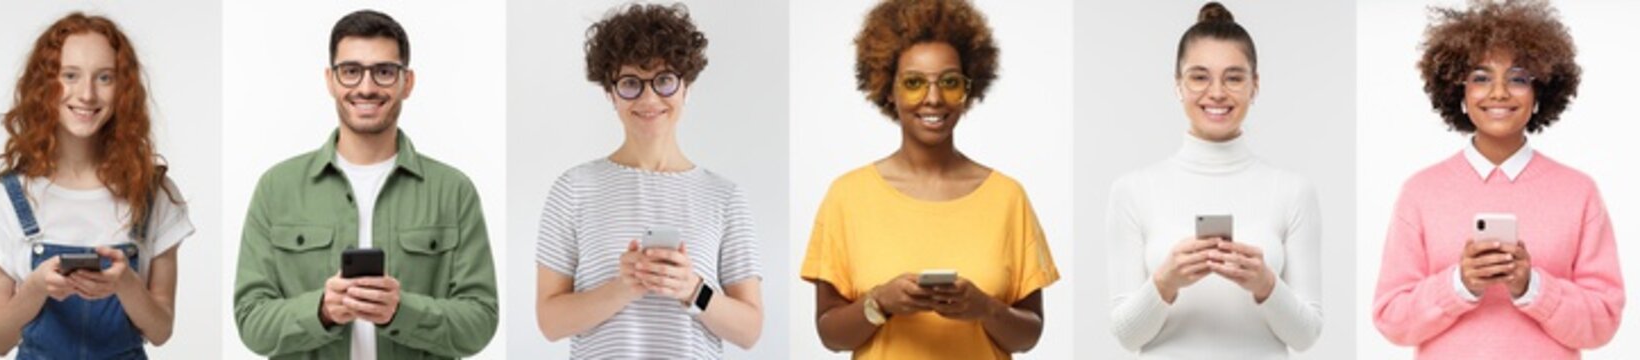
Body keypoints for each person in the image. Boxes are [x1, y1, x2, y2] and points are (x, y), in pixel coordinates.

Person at [232, 9, 498, 359]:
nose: (367, 87)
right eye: (351, 71)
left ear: (408, 82)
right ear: (330, 80)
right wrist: (322, 311)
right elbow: (251, 321)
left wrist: (402, 311)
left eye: (385, 72)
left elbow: (480, 321)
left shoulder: (453, 190)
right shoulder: (276, 188)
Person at [800, 0, 1056, 359]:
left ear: (968, 89)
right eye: (914, 83)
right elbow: (831, 334)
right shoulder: (847, 196)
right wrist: (880, 302)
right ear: (888, 88)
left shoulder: (1007, 197)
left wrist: (984, 308)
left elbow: (1029, 335)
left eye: (949, 82)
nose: (933, 99)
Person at [1371, 1, 1621, 358]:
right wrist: (1460, 284)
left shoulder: (1579, 192)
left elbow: (1604, 322)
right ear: (1459, 93)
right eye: (1481, 77)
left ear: (1540, 93)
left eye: (1518, 78)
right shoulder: (1421, 192)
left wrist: (1530, 287)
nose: (1499, 92)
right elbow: (1391, 319)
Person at [531, 3, 761, 359]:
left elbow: (750, 330)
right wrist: (623, 288)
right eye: (630, 83)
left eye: (664, 80)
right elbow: (549, 321)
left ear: (686, 87)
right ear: (611, 93)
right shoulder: (574, 188)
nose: (649, 98)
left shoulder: (724, 197)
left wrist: (692, 289)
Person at [0, 12, 192, 359]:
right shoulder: (9, 199)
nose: (86, 94)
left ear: (123, 90)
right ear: (45, 86)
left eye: (104, 78)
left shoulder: (152, 194)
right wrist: (37, 288)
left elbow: (161, 331)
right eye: (70, 76)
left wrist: (126, 284)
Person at [1104, 3, 1323, 358]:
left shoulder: (1293, 191)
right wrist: (1166, 281)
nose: (1217, 92)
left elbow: (1306, 336)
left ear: (1255, 86)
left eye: (1234, 77)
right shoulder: (1132, 190)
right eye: (1199, 76)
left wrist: (1265, 284)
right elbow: (1127, 336)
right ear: (1178, 85)